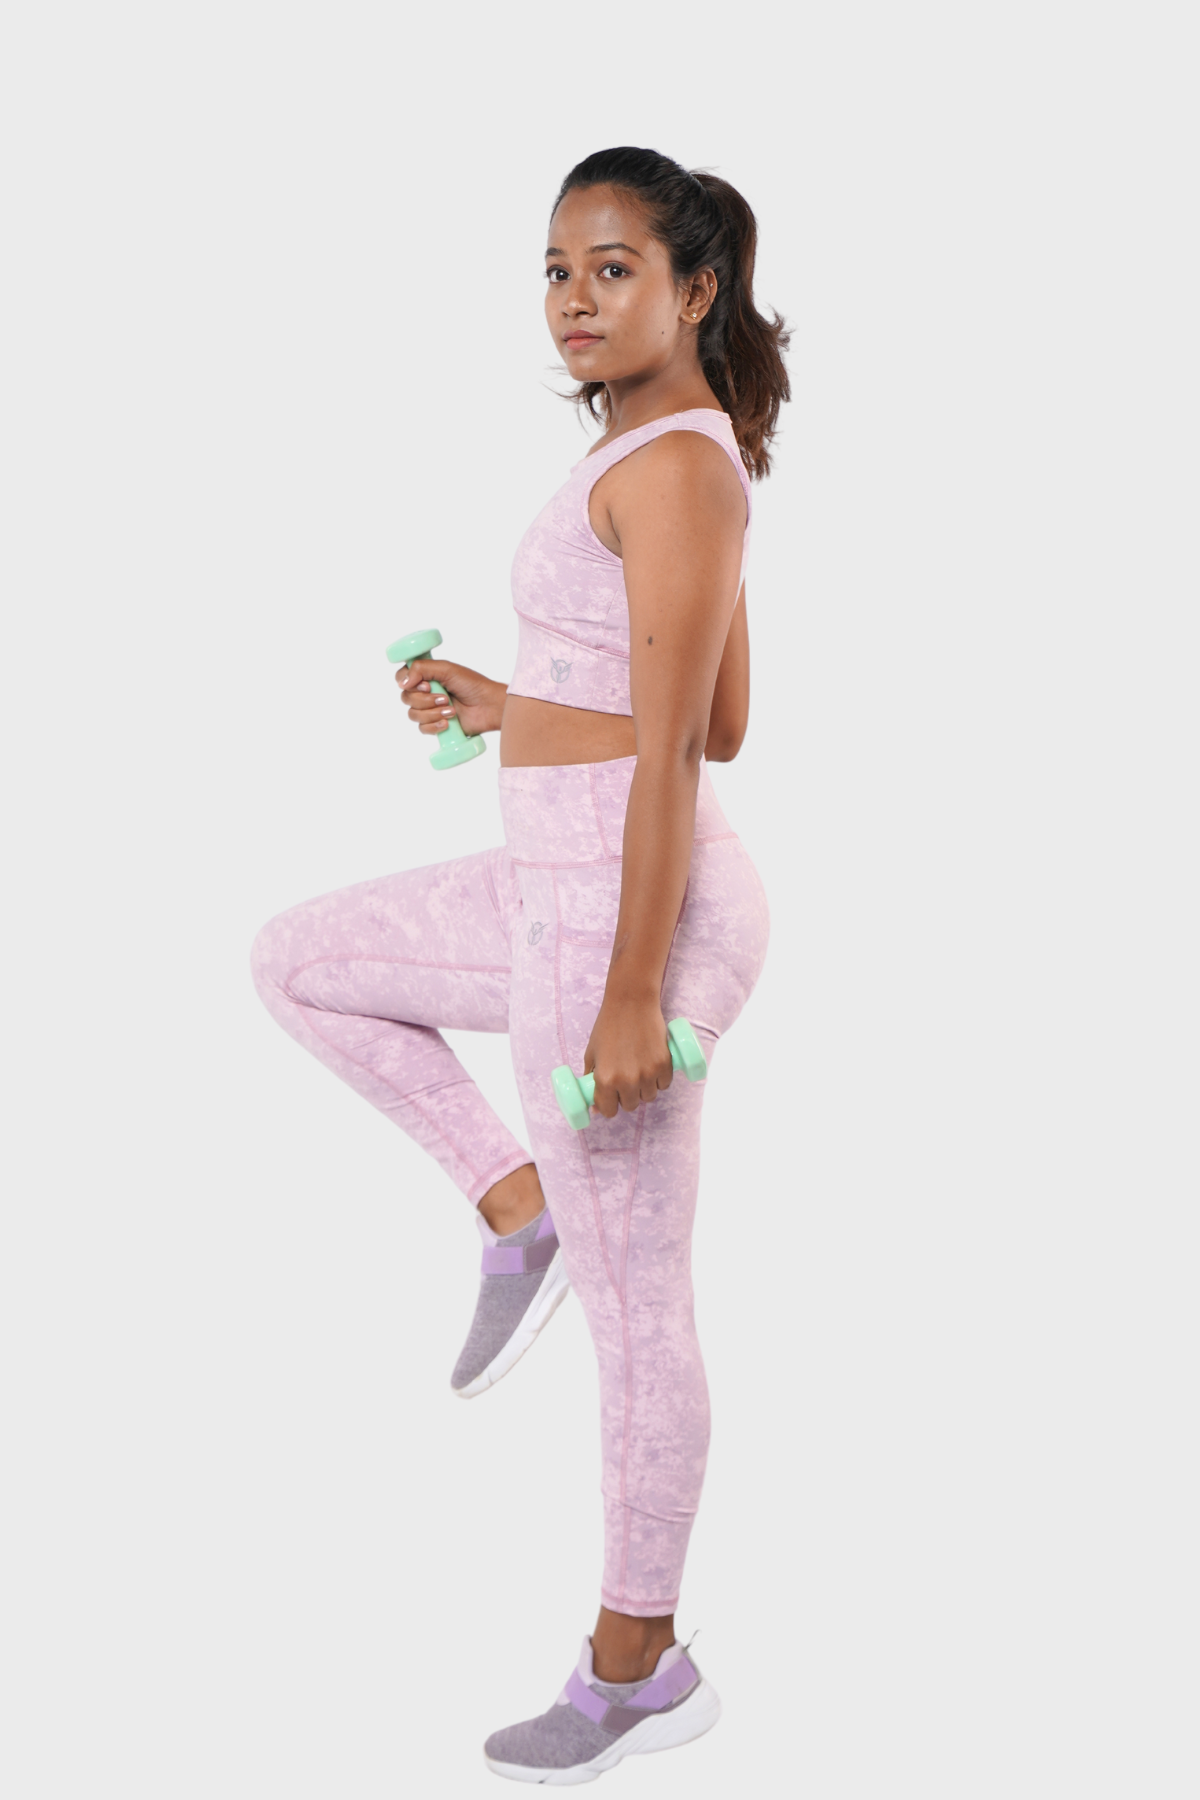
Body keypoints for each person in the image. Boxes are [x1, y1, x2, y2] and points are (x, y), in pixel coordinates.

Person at [251, 144, 789, 1783]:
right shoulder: (657, 448)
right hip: (556, 881)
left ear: (696, 289)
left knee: (639, 1317)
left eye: (614, 269)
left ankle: (640, 1664)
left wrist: (630, 993)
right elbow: (707, 710)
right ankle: (516, 1205)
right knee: (302, 962)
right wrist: (511, 706)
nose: (574, 299)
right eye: (557, 269)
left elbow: (681, 759)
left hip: (623, 911)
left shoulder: (677, 467)